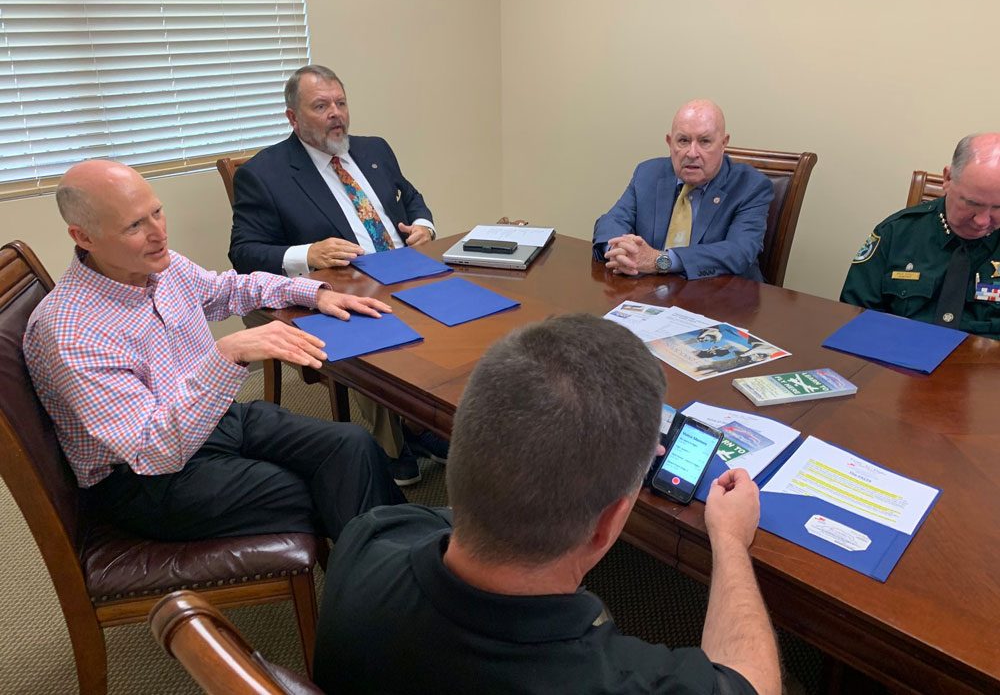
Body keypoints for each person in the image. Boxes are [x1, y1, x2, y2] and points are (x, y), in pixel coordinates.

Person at [313, 314, 781, 695]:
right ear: (609, 522)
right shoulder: (623, 682)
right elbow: (754, 682)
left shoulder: (367, 536)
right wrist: (731, 539)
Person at [24, 160, 404, 542]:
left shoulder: (160, 268)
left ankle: (406, 554)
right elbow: (152, 451)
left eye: (156, 212)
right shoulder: (70, 331)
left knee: (352, 444)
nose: (159, 233)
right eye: (135, 226)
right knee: (312, 485)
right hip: (144, 478)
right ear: (84, 237)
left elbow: (229, 290)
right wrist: (227, 354)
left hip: (209, 422)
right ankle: (385, 581)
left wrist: (313, 293)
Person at [228, 64, 447, 485]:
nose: (336, 114)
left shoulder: (375, 149)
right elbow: (243, 253)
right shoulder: (264, 174)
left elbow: (412, 196)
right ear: (293, 117)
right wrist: (308, 253)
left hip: (404, 268)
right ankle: (395, 446)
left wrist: (424, 225)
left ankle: (425, 425)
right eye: (321, 105)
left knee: (470, 314)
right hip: (335, 287)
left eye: (341, 103)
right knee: (378, 336)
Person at [593, 99, 774, 281]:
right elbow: (611, 221)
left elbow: (739, 251)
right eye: (683, 141)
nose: (692, 153)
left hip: (721, 297)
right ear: (670, 142)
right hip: (652, 293)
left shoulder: (751, 186)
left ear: (723, 143)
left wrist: (660, 261)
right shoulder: (648, 173)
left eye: (704, 141)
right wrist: (619, 252)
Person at [841, 133, 1000, 339]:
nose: (982, 221)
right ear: (948, 178)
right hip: (897, 361)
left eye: (998, 207)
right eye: (972, 203)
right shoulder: (897, 233)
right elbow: (854, 316)